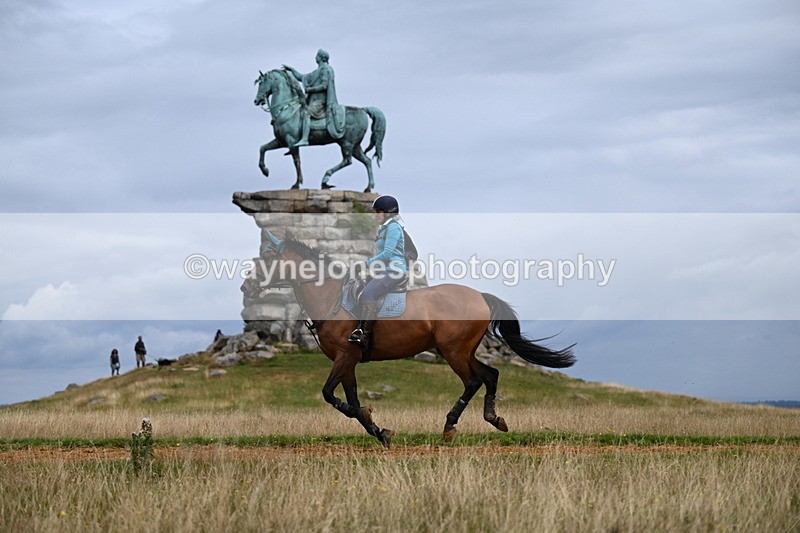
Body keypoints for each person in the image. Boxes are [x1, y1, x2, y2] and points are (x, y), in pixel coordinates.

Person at [348, 195, 410, 347]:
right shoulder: (384, 229)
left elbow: (387, 254)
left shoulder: (393, 228)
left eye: (378, 212)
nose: (376, 215)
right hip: (384, 270)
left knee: (367, 294)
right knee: (357, 287)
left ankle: (363, 333)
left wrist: (366, 264)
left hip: (394, 270)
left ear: (388, 213)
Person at [282, 49, 345, 146]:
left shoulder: (326, 69)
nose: (315, 57)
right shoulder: (317, 71)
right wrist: (292, 70)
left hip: (321, 101)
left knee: (306, 112)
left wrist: (310, 89)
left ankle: (305, 139)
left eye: (317, 56)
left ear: (321, 58)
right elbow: (302, 77)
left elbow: (324, 86)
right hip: (313, 100)